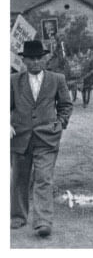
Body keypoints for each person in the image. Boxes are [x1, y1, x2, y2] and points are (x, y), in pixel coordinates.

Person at [11, 40, 73, 237]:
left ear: (45, 58)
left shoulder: (57, 79)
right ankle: (18, 216)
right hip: (20, 138)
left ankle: (43, 221)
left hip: (47, 138)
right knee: (19, 178)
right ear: (24, 60)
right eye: (31, 59)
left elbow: (66, 105)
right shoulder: (13, 81)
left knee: (43, 178)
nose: (36, 62)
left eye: (39, 58)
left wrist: (60, 123)